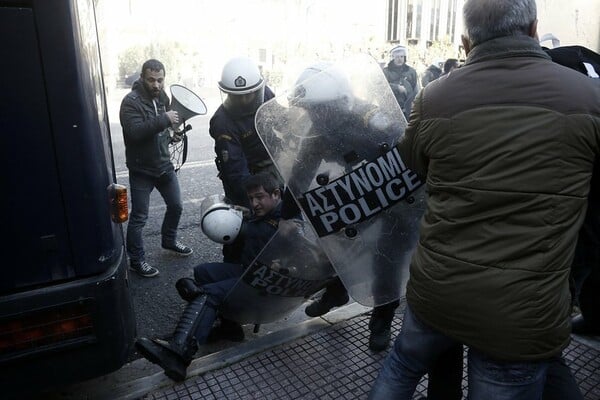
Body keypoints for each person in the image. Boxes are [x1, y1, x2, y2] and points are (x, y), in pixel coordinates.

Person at [369, 0, 600, 399]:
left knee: (402, 367)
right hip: (521, 314)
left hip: (437, 294)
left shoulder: (433, 98)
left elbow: (413, 163)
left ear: (465, 42)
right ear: (532, 30)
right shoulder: (590, 98)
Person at [284, 61, 417, 353]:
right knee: (337, 237)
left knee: (388, 256)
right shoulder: (323, 128)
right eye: (309, 110)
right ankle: (337, 292)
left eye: (318, 109)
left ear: (339, 102)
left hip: (401, 197)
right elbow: (300, 173)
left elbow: (404, 147)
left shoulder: (370, 119)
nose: (313, 116)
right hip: (366, 194)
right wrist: (284, 213)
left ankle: (382, 318)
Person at [135, 173, 283, 381]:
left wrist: (246, 223)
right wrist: (246, 212)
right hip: (249, 270)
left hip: (262, 284)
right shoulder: (266, 213)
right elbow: (258, 220)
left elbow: (273, 233)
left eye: (259, 197)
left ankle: (180, 355)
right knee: (202, 272)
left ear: (276, 194)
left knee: (209, 293)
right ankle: (230, 327)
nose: (255, 203)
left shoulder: (287, 220)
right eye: (251, 198)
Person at [119, 59, 193, 278]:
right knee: (140, 217)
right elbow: (135, 133)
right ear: (142, 78)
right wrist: (164, 120)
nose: (156, 85)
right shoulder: (130, 102)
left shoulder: (162, 97)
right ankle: (137, 260)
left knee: (177, 206)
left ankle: (169, 241)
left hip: (163, 165)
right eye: (151, 80)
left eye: (160, 80)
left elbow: (164, 127)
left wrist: (173, 133)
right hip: (142, 170)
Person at [209, 56, 284, 210]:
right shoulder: (223, 122)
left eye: (248, 94)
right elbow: (236, 171)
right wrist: (253, 204)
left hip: (273, 164)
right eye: (237, 96)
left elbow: (282, 120)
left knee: (287, 212)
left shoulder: (266, 95)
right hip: (247, 175)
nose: (243, 100)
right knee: (253, 223)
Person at [382, 45, 419, 119]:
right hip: (391, 109)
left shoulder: (411, 71)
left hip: (408, 109)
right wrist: (396, 87)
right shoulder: (386, 71)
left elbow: (416, 89)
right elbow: (382, 86)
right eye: (397, 57)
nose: (400, 59)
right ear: (393, 58)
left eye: (402, 56)